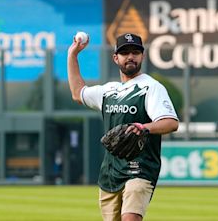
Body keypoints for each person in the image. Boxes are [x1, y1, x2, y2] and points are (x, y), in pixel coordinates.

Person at [67, 33, 179, 221]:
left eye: (135, 52)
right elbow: (78, 93)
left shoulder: (151, 88)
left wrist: (144, 128)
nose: (130, 57)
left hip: (140, 169)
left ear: (142, 56)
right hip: (110, 173)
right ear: (115, 58)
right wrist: (72, 55)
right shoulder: (108, 91)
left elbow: (171, 122)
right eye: (125, 52)